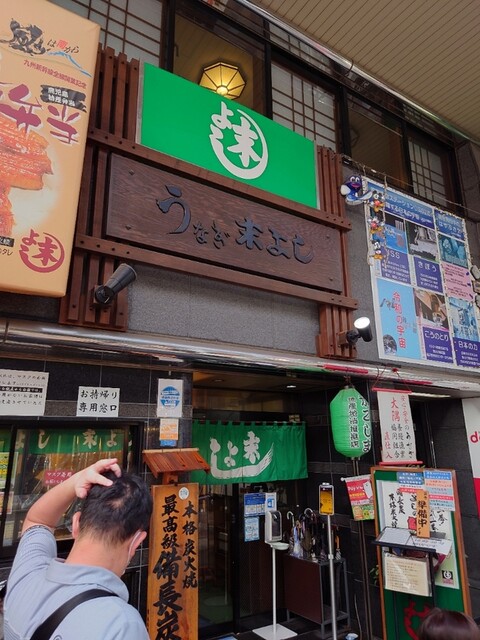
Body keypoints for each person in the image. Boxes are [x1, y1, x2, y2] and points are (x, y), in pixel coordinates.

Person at [4, 458, 153, 640]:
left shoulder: (27, 572)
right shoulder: (123, 625)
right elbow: (38, 521)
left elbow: (38, 520)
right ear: (136, 542)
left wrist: (78, 479)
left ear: (75, 523)